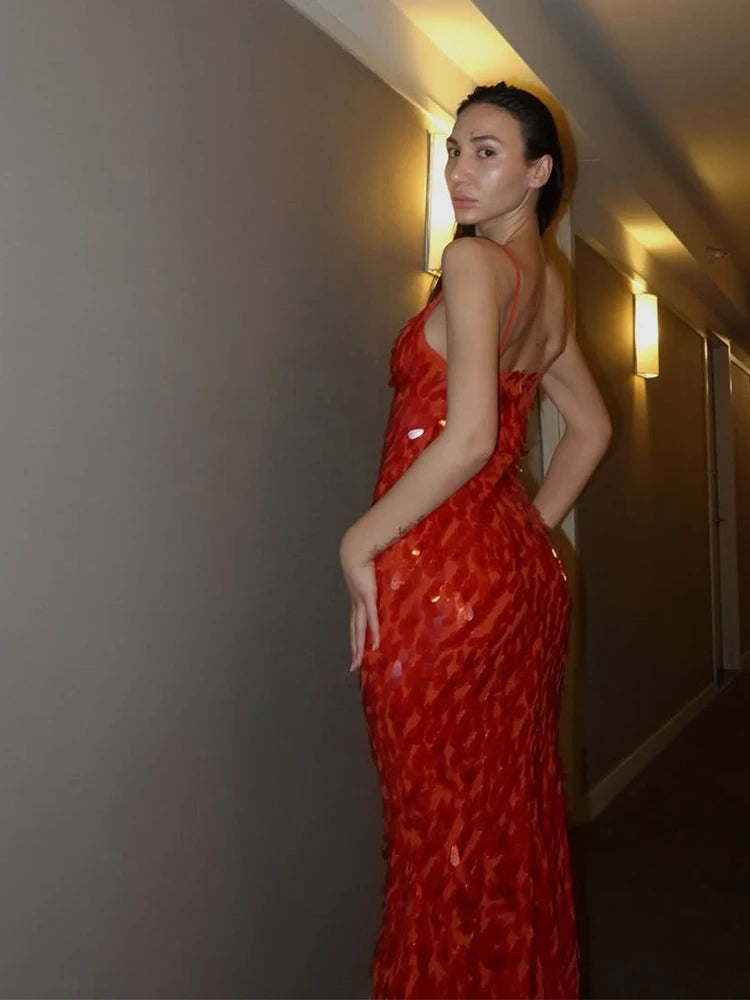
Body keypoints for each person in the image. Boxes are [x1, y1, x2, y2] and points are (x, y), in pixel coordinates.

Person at [339, 81, 612, 999]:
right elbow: (592, 429)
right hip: (511, 581)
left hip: (436, 579)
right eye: (455, 149)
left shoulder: (472, 267)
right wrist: (517, 535)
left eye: (486, 152)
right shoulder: (549, 289)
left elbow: (465, 439)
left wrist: (356, 543)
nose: (459, 168)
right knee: (502, 823)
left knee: (436, 844)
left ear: (538, 173)